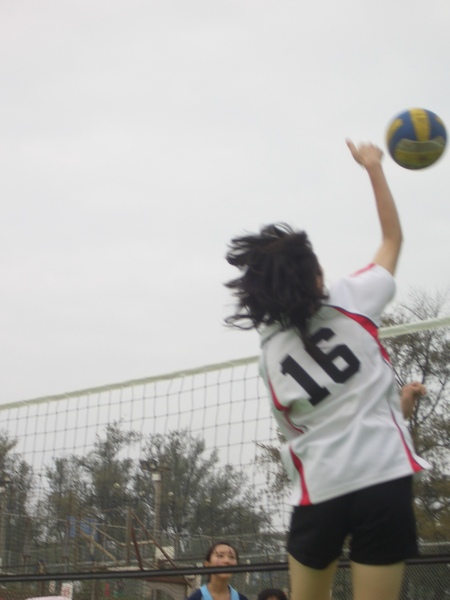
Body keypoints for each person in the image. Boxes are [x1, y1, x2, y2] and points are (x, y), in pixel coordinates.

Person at [224, 141, 429, 600]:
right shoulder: (354, 298)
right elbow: (392, 240)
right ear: (316, 276)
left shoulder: (270, 355)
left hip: (322, 490)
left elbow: (310, 429)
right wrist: (374, 167)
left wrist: (395, 411)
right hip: (384, 477)